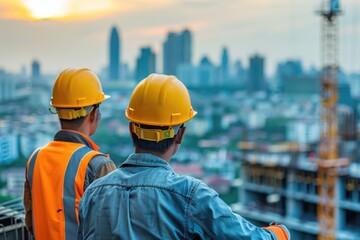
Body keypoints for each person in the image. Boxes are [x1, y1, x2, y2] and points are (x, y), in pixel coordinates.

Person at [78, 74, 291, 239]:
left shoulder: (93, 194)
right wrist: (281, 233)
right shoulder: (190, 196)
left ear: (132, 129)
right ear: (180, 134)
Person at [23, 68, 117, 240]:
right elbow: (113, 230)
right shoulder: (97, 165)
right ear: (94, 113)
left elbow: (31, 222)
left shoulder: (35, 159)